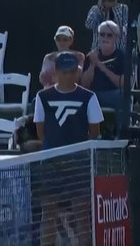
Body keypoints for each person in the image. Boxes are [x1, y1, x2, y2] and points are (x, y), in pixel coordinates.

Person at [33, 52, 103, 246]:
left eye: (73, 71)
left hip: (78, 164)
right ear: (56, 72)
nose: (69, 76)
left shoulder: (89, 97)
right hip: (51, 163)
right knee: (49, 213)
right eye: (65, 72)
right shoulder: (42, 97)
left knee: (81, 214)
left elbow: (95, 132)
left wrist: (77, 152)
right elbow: (41, 132)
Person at [81, 21, 125, 137]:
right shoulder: (91, 56)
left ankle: (120, 135)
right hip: (93, 95)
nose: (105, 37)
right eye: (102, 34)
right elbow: (84, 84)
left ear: (116, 38)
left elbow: (121, 83)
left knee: (122, 96)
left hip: (113, 94)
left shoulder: (122, 57)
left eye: (109, 35)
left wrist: (100, 64)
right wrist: (92, 64)